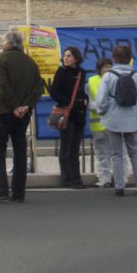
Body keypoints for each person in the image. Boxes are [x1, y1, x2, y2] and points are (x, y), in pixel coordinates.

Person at [0, 29, 44, 203]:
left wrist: (14, 106)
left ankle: (1, 190)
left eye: (2, 42)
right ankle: (19, 192)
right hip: (23, 114)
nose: (1, 44)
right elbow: (37, 88)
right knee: (20, 152)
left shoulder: (2, 59)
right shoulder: (30, 62)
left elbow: (3, 86)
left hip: (3, 111)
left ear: (8, 43)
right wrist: (25, 106)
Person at [96, 44, 137, 197]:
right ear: (130, 58)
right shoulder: (136, 76)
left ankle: (119, 186)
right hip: (131, 120)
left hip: (113, 119)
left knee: (116, 153)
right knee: (135, 152)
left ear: (114, 58)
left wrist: (102, 112)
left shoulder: (108, 76)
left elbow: (101, 101)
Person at [50, 46, 89, 189]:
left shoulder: (81, 72)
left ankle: (77, 178)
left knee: (74, 148)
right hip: (67, 113)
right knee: (66, 148)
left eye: (69, 56)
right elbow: (54, 92)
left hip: (79, 113)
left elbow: (81, 91)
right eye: (65, 56)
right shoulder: (61, 72)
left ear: (76, 58)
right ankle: (68, 179)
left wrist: (85, 99)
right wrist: (67, 102)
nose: (66, 58)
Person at [87, 58, 114, 187]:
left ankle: (119, 177)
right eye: (105, 67)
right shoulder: (91, 81)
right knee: (101, 153)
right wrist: (103, 107)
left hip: (114, 123)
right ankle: (104, 178)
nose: (108, 69)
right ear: (99, 68)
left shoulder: (116, 80)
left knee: (117, 153)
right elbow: (89, 102)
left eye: (110, 66)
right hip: (98, 124)